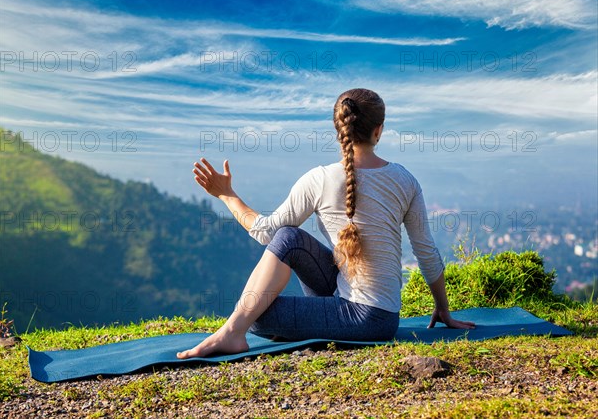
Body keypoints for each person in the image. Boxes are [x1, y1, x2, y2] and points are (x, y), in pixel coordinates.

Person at [177, 88, 475, 359]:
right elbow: (426, 252)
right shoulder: (404, 179)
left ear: (338, 129)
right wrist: (444, 310)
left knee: (255, 314)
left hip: (365, 318)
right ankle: (237, 330)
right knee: (289, 238)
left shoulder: (319, 179)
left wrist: (227, 196)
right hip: (383, 315)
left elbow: (264, 231)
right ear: (379, 131)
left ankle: (233, 332)